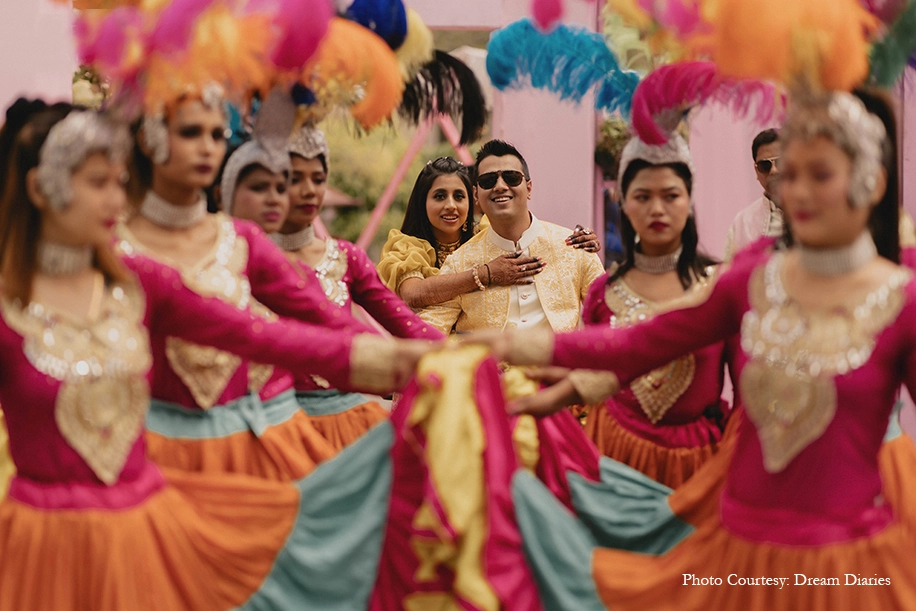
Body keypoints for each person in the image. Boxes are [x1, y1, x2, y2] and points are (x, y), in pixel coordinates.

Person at [483, 88, 916, 609]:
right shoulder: (752, 278)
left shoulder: (901, 297)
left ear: (872, 182)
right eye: (789, 174)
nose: (797, 191)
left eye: (819, 175)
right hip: (737, 553)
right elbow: (636, 344)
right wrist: (504, 348)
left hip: (847, 568)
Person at [0, 100, 438, 611]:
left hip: (156, 512)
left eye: (118, 182)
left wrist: (430, 363)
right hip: (48, 539)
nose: (115, 198)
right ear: (40, 190)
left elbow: (267, 336)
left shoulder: (141, 283)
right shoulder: (28, 301)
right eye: (98, 183)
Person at [118, 87, 377, 480]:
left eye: (216, 135)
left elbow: (326, 318)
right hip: (150, 450)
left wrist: (417, 360)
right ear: (149, 138)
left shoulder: (240, 241)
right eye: (190, 133)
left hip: (249, 441)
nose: (207, 148)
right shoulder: (113, 248)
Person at [516, 134, 732, 489]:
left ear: (689, 199)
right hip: (612, 457)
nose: (657, 209)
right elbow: (587, 376)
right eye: (643, 197)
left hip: (698, 467)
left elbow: (747, 401)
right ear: (623, 202)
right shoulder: (604, 293)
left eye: (671, 195)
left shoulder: (722, 288)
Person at [227, 124, 444, 450]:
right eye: (294, 179)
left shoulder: (345, 257)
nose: (308, 191)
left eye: (318, 179)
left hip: (343, 421)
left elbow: (405, 323)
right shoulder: (240, 258)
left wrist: (461, 355)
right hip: (265, 421)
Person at [419, 140, 605, 335]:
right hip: (488, 355)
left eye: (512, 178)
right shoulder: (460, 262)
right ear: (476, 194)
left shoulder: (573, 246)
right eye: (488, 181)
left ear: (529, 188)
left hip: (558, 354)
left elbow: (608, 314)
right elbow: (429, 328)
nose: (500, 186)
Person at [377, 156, 600, 310]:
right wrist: (484, 274)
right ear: (422, 202)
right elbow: (414, 294)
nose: (451, 205)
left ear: (472, 200)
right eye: (439, 196)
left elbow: (531, 242)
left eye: (459, 196)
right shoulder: (407, 247)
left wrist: (573, 242)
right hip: (427, 346)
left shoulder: (483, 235)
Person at [722, 128, 783, 261]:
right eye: (764, 165)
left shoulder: (815, 214)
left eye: (781, 162)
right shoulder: (742, 223)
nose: (774, 171)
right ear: (756, 171)